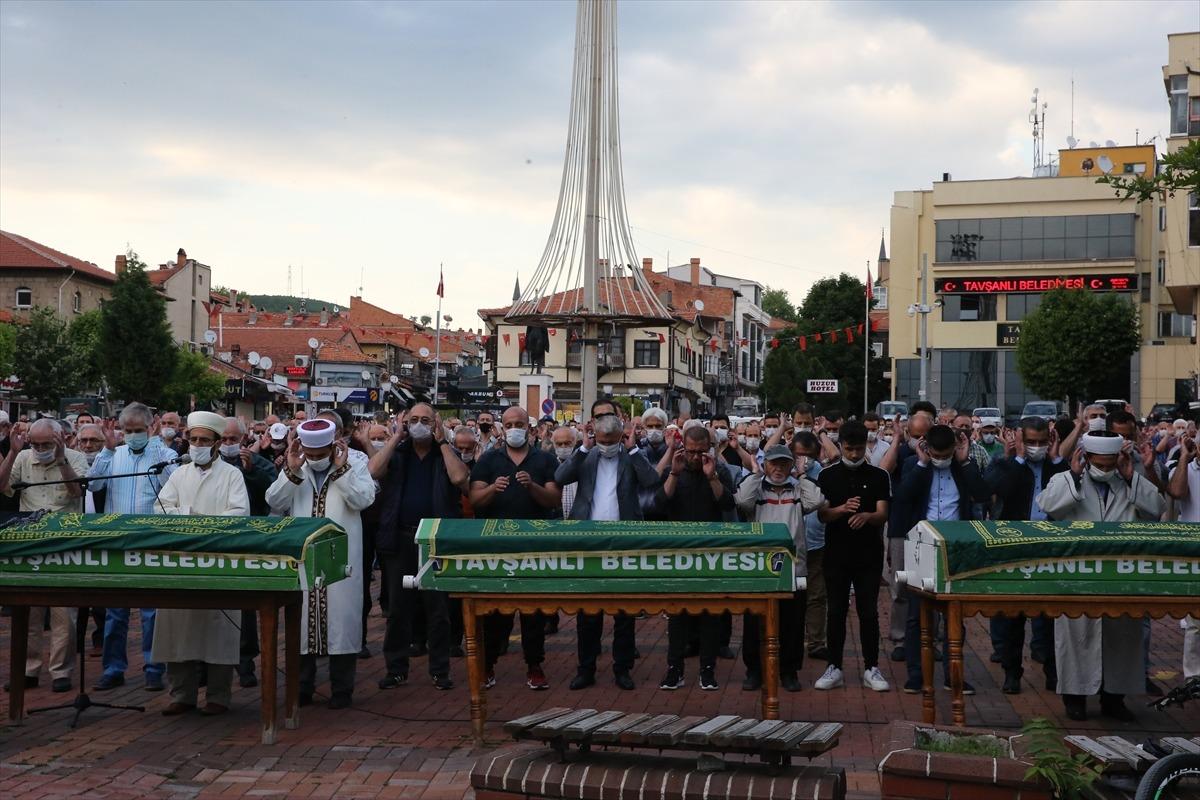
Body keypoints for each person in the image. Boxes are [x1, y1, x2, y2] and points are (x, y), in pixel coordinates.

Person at [1038, 431, 1164, 721]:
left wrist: (1131, 476)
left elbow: (1156, 509)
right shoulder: (1066, 480)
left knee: (1121, 639)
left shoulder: (1130, 482)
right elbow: (1049, 506)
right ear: (1086, 456)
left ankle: (1114, 699)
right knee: (1077, 637)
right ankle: (1075, 698)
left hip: (1121, 575)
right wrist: (1073, 474)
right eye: (1100, 463)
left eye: (1110, 463)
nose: (1105, 469)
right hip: (1078, 575)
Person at [266, 418, 376, 709]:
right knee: (301, 620)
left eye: (320, 455)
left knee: (343, 621)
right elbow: (274, 501)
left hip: (341, 554)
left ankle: (342, 689)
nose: (315, 460)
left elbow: (364, 499)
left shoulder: (355, 462)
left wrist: (341, 471)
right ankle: (303, 687)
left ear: (333, 445)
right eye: (310, 454)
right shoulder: (296, 464)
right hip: (304, 554)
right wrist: (290, 469)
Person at [152, 412, 250, 716]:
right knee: (177, 629)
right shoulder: (178, 474)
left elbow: (239, 514)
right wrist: (188, 518)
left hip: (217, 562)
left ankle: (219, 696)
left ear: (217, 444)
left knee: (218, 629)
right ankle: (181, 694)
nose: (196, 445)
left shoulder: (232, 475)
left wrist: (201, 524)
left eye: (204, 440)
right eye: (193, 439)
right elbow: (160, 508)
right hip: (180, 562)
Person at [556, 414, 659, 691]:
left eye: (612, 442)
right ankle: (585, 668)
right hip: (588, 540)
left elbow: (652, 480)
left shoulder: (630, 456)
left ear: (620, 439)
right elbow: (560, 477)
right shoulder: (587, 456)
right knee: (587, 611)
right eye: (603, 441)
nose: (607, 446)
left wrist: (634, 447)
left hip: (625, 540)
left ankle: (622, 668)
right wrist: (585, 447)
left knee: (624, 611)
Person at [369, 403, 468, 692]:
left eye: (425, 420)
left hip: (435, 540)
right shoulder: (398, 453)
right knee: (398, 608)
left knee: (437, 609)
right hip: (400, 538)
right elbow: (373, 471)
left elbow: (460, 479)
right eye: (414, 420)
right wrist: (396, 437)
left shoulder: (443, 453)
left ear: (436, 423)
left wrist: (443, 441)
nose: (419, 424)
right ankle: (396, 668)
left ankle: (439, 670)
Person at [87, 402, 180, 692]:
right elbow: (93, 486)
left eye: (138, 430)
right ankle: (113, 668)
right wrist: (107, 449)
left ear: (150, 428)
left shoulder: (166, 454)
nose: (132, 436)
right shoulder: (115, 454)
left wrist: (154, 445)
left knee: (151, 611)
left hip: (150, 538)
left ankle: (154, 666)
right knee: (116, 611)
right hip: (117, 538)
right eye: (128, 431)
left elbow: (172, 484)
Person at [469, 406, 561, 689]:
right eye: (508, 424)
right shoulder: (489, 459)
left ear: (530, 428)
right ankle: (488, 666)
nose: (513, 429)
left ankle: (534, 665)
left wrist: (532, 487)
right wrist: (491, 490)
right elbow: (474, 499)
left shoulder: (544, 459)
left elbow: (553, 499)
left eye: (519, 424)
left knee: (533, 611)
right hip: (498, 544)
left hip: (534, 544)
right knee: (497, 611)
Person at [895, 423, 991, 694]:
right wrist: (924, 464)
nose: (940, 459)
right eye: (935, 454)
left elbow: (983, 494)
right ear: (926, 448)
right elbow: (902, 497)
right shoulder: (915, 464)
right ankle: (917, 675)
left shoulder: (962, 467)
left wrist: (964, 460)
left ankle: (953, 674)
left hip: (954, 547)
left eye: (944, 454)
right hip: (921, 545)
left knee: (953, 614)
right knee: (917, 616)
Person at [0, 419, 89, 693]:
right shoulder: (23, 457)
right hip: (31, 542)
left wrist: (61, 459)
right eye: (35, 444)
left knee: (64, 613)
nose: (40, 449)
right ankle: (29, 669)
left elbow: (76, 492)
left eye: (46, 444)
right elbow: (2, 486)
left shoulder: (76, 457)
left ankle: (61, 671)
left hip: (64, 542)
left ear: (60, 438)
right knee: (29, 611)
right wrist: (14, 452)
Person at [983, 417, 1065, 694]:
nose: (1036, 448)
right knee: (1013, 615)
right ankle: (1012, 672)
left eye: (1042, 442)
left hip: (1050, 545)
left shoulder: (1057, 466)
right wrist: (1017, 458)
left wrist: (1054, 459)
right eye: (1031, 442)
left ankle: (1052, 671)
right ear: (1020, 439)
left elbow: (1071, 489)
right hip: (1016, 544)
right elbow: (995, 491)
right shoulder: (1006, 464)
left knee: (1051, 615)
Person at [735, 443, 826, 692]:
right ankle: (754, 671)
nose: (778, 468)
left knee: (792, 623)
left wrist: (801, 474)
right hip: (759, 566)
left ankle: (789, 671)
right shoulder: (756, 490)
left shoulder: (798, 489)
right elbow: (742, 501)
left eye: (783, 463)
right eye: (773, 463)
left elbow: (817, 500)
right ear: (766, 465)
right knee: (755, 622)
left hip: (794, 566)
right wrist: (755, 473)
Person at [813, 421, 892, 692]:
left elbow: (883, 513)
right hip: (836, 552)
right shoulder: (827, 476)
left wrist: (868, 516)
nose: (855, 454)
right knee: (835, 611)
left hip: (869, 554)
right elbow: (822, 515)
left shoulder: (879, 476)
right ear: (841, 446)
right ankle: (834, 666)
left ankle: (871, 666)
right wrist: (842, 509)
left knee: (868, 611)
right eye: (850, 449)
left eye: (859, 449)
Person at [656, 425, 735, 691]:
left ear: (709, 449)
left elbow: (728, 504)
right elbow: (658, 504)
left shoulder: (719, 470)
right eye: (690, 451)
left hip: (709, 552)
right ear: (683, 448)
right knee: (677, 612)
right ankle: (674, 669)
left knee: (710, 613)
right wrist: (675, 474)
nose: (695, 457)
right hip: (679, 552)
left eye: (701, 452)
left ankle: (707, 670)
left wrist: (712, 476)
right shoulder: (674, 470)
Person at [218, 417, 279, 688]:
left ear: (244, 439)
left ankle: (245, 663)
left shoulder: (258, 463)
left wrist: (251, 470)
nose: (228, 444)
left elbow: (272, 495)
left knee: (244, 606)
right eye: (224, 439)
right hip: (217, 541)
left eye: (234, 439)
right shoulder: (209, 463)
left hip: (247, 540)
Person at [1166, 433, 1199, 679]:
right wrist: (1184, 458)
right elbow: (1176, 492)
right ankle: (1194, 676)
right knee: (1196, 621)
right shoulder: (1186, 469)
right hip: (1194, 551)